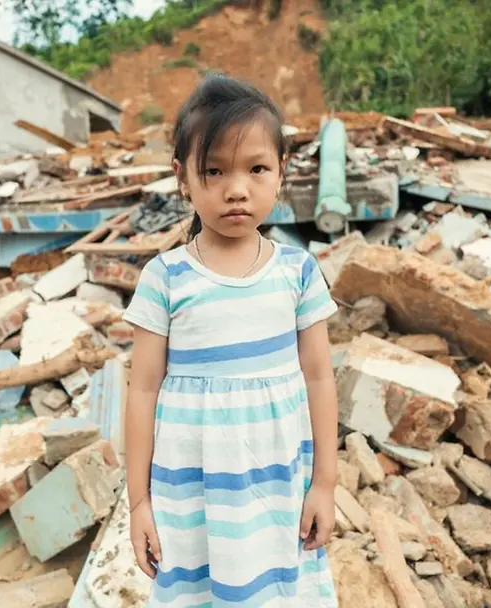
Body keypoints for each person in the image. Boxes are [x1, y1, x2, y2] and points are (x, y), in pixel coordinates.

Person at [122, 74, 340, 607]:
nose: (236, 188)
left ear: (281, 172)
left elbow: (319, 376)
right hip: (192, 494)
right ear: (182, 178)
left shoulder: (297, 272)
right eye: (213, 170)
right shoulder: (166, 277)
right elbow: (143, 390)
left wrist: (325, 486)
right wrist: (138, 504)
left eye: (256, 168)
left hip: (276, 490)